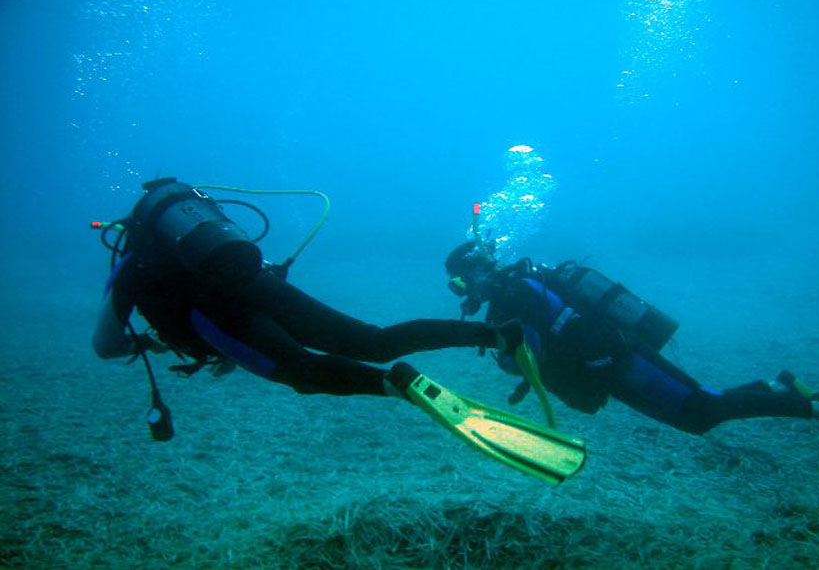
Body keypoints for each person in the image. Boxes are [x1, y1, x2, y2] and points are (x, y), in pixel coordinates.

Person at [91, 178, 586, 484]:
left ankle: (392, 385)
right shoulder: (207, 238)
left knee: (300, 371)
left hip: (213, 314)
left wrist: (151, 340)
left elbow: (105, 346)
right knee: (372, 340)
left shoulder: (136, 265)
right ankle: (496, 335)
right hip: (256, 282)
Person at [444, 240, 819, 435]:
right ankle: (776, 387)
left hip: (622, 361)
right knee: (696, 416)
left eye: (461, 283)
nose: (464, 292)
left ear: (473, 273)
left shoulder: (515, 291)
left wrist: (500, 347)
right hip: (610, 370)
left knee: (704, 408)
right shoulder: (515, 290)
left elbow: (533, 351)